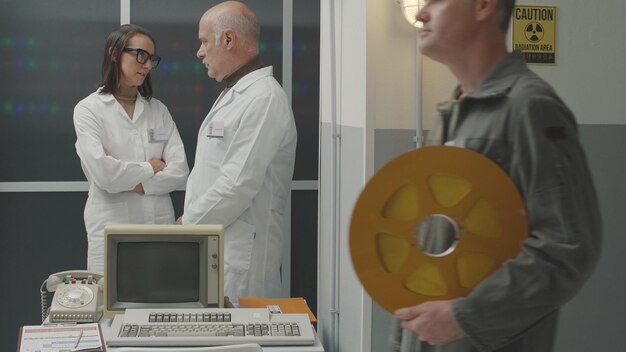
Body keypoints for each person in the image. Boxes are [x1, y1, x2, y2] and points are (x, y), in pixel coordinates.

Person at [392, 0, 601, 351]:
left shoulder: (530, 108)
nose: (419, 13)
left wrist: (465, 316)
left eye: (436, 1)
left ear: (483, 6)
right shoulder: (450, 114)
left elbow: (567, 249)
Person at [176, 1, 297, 302]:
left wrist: (187, 224)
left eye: (204, 41)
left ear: (228, 40)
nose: (199, 52)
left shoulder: (264, 98)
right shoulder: (236, 93)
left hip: (242, 261)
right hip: (219, 246)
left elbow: (236, 185)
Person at [73, 24, 189, 273]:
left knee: (162, 303)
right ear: (114, 54)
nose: (147, 65)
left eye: (151, 58)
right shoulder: (88, 110)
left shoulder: (158, 110)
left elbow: (180, 171)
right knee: (111, 307)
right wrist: (151, 167)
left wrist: (137, 183)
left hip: (158, 226)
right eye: (141, 55)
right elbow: (104, 174)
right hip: (111, 228)